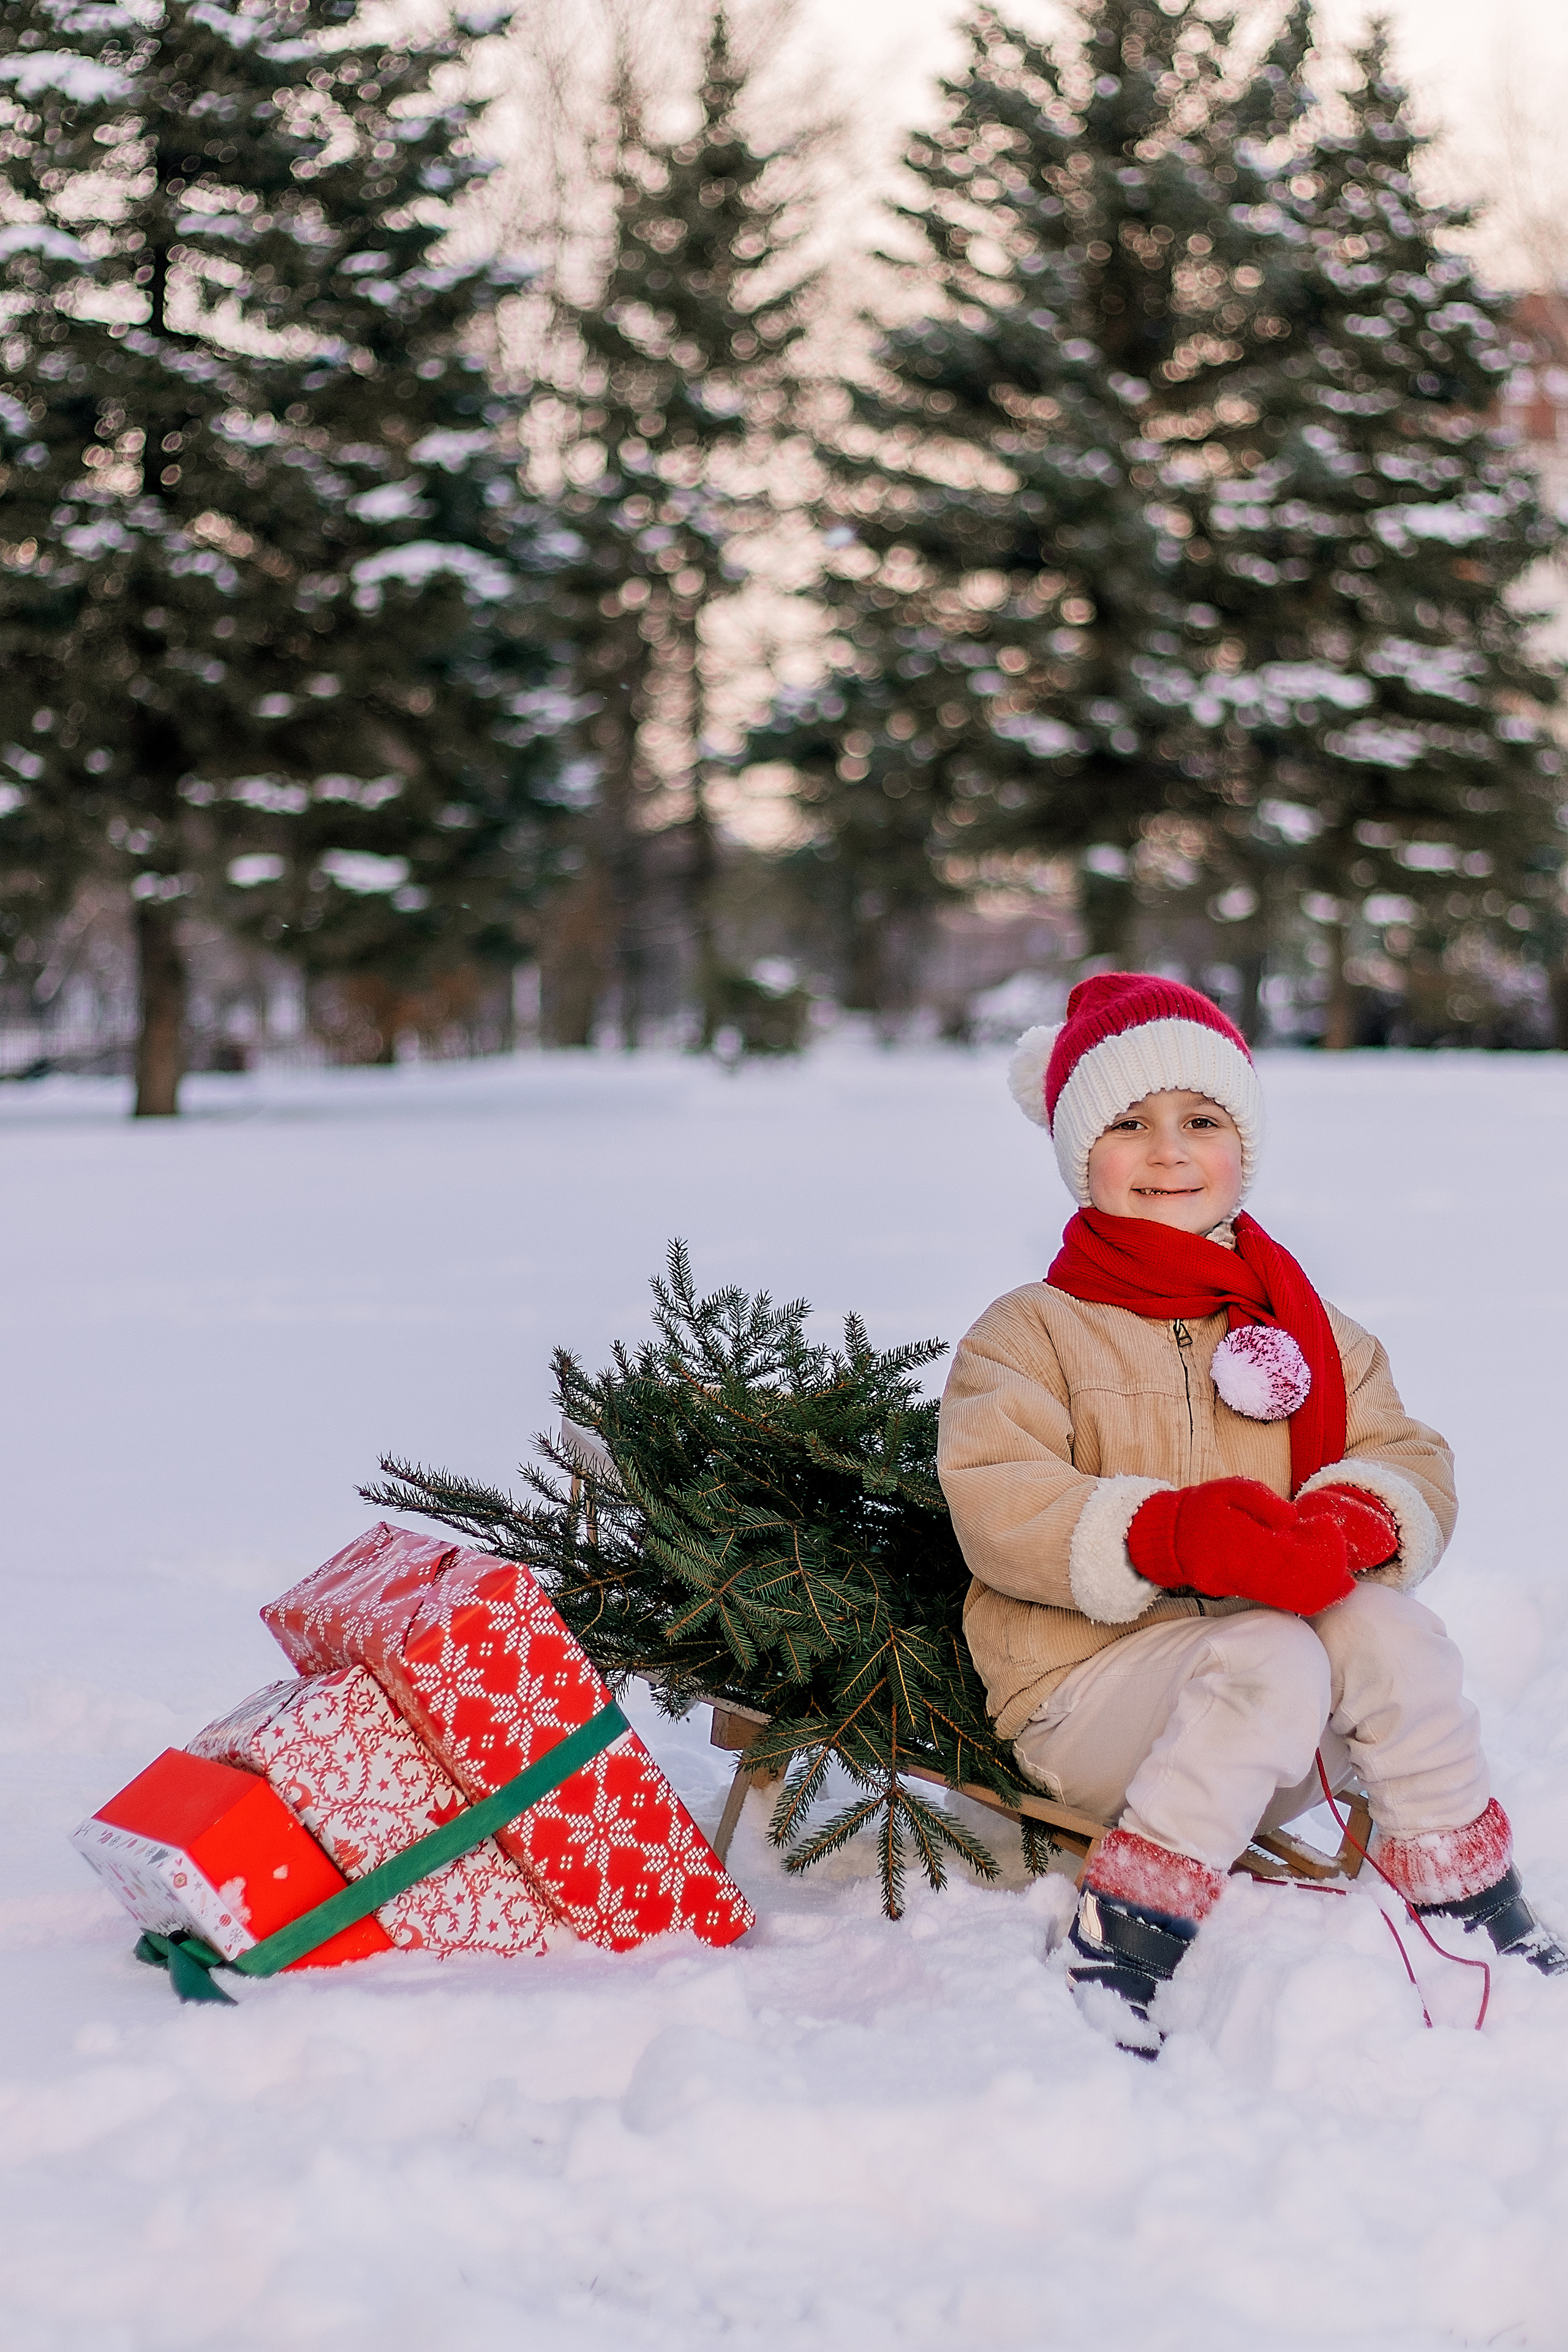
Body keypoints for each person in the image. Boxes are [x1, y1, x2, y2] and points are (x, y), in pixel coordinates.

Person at [936, 971, 1566, 2054]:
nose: (1169, 1150)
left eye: (1202, 1121)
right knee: (1268, 1656)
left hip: (1266, 1739)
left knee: (1386, 1627)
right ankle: (1125, 1934)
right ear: (1080, 1153)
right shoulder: (1030, 1331)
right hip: (1087, 1704)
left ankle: (1464, 1884)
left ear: (1245, 1145)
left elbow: (1406, 1454)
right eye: (1129, 1124)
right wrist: (1168, 1533)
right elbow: (1000, 1497)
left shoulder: (1309, 1324)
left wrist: (1350, 1523)